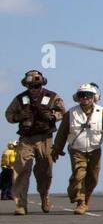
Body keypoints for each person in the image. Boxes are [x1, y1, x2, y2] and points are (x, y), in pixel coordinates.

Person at [5, 70, 66, 216]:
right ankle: (20, 204)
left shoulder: (52, 97)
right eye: (31, 86)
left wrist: (52, 116)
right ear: (26, 85)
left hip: (45, 139)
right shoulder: (20, 99)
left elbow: (63, 112)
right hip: (26, 139)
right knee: (20, 170)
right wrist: (19, 116)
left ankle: (45, 196)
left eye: (37, 86)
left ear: (41, 85)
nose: (34, 89)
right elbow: (8, 115)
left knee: (44, 171)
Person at [52, 83, 103, 215]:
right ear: (78, 97)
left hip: (95, 150)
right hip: (77, 150)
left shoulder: (102, 112)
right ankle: (80, 202)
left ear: (94, 97)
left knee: (93, 178)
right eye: (82, 95)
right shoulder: (71, 113)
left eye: (89, 95)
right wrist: (56, 149)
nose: (85, 98)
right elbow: (62, 133)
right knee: (79, 175)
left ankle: (84, 199)